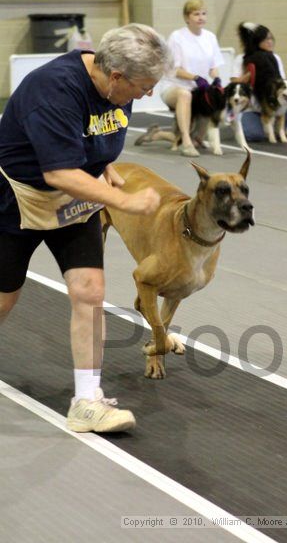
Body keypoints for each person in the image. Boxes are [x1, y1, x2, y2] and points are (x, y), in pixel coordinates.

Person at [0, 23, 171, 433]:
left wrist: (103, 162)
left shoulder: (115, 86)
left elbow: (96, 132)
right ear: (115, 76)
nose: (147, 95)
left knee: (90, 291)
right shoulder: (53, 89)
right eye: (143, 87)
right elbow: (58, 169)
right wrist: (126, 201)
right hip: (17, 198)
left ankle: (87, 400)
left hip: (77, 199)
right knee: (5, 297)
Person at [159, 0, 224, 157]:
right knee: (185, 94)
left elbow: (213, 66)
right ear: (187, 17)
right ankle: (186, 142)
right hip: (175, 87)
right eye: (196, 14)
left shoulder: (210, 37)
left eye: (203, 13)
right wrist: (195, 77)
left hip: (199, 89)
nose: (201, 17)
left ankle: (160, 134)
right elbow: (174, 69)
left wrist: (216, 79)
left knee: (216, 97)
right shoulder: (177, 37)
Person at [232, 23, 287, 140]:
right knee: (254, 135)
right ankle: (248, 123)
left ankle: (283, 128)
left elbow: (282, 85)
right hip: (252, 107)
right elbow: (233, 83)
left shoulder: (275, 58)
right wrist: (245, 78)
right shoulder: (241, 59)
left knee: (286, 95)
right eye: (266, 39)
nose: (270, 42)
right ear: (257, 41)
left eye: (271, 38)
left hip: (273, 105)